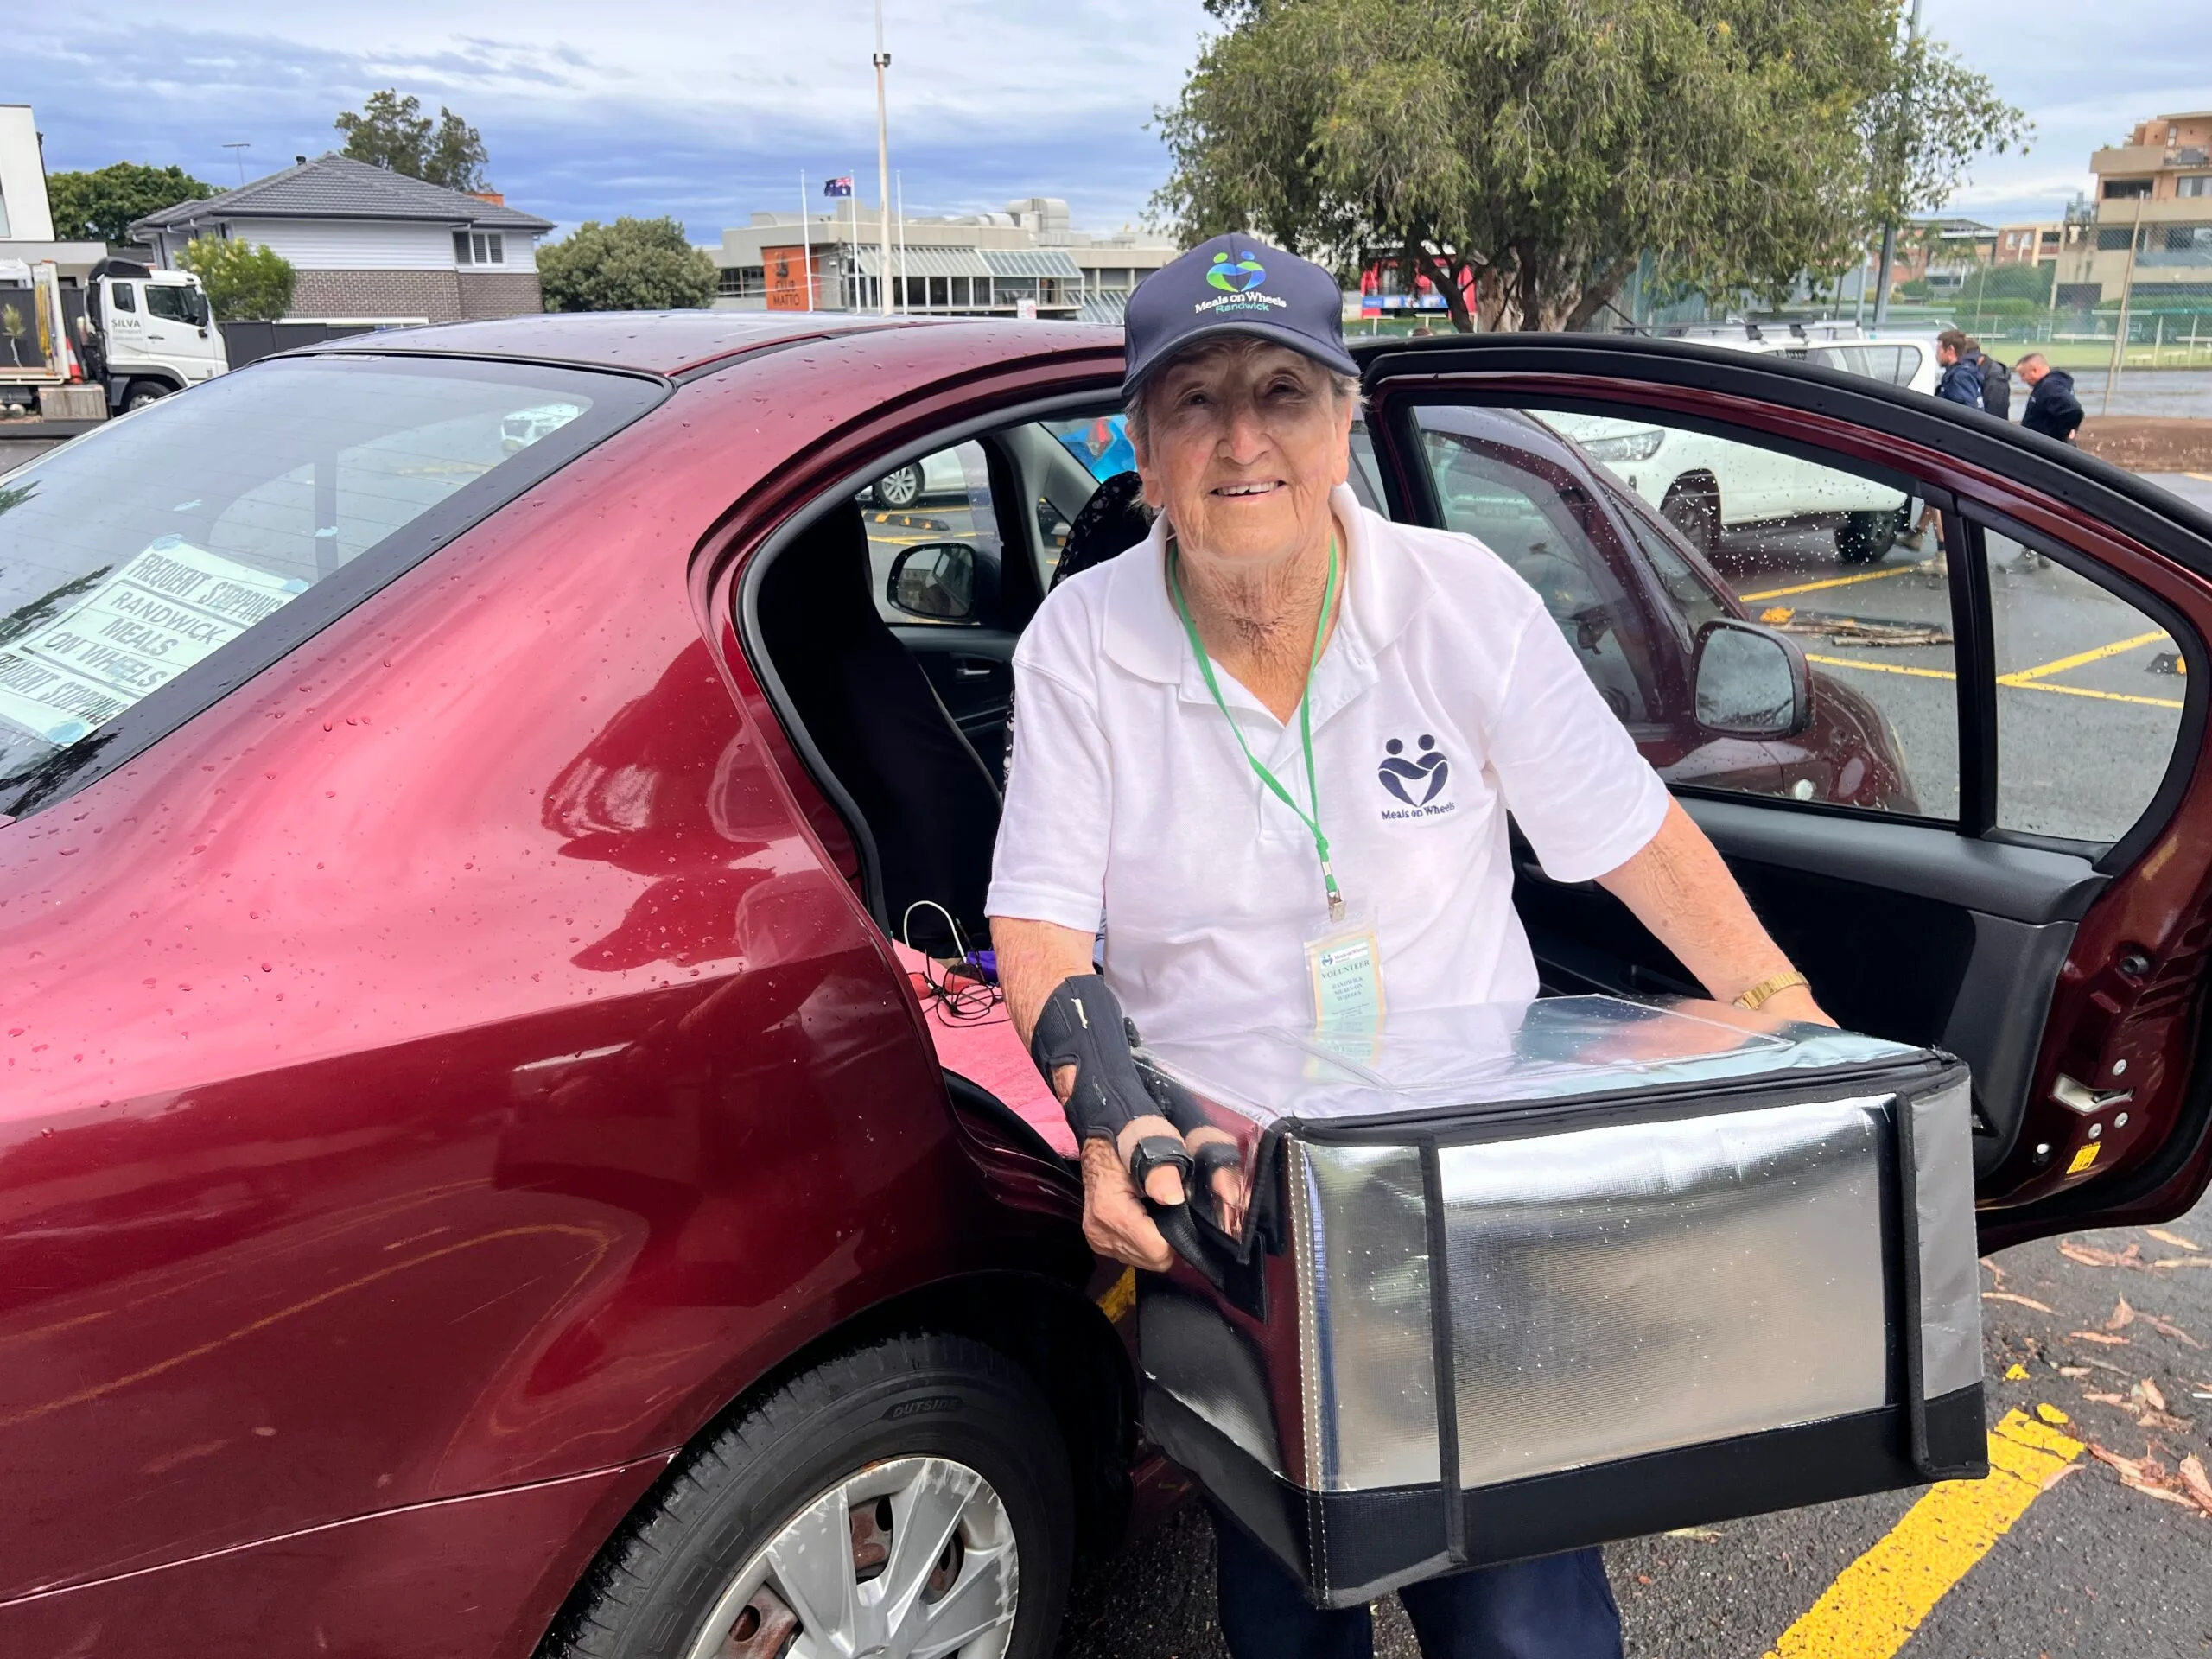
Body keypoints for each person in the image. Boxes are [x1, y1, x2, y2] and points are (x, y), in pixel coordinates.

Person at [986, 232, 1833, 1659]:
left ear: (1345, 424)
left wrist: (1784, 1014)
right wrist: (1108, 1124)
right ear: (1141, 447)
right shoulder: (1081, 641)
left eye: (1281, 392)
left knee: (1523, 1615)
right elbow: (1039, 918)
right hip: (1237, 1192)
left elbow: (1632, 836)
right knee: (1287, 1601)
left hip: (1470, 1182)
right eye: (1195, 401)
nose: (1241, 439)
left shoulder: (1462, 601)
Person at [2018, 353, 2086, 443]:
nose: (2022, 380)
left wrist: (2064, 434)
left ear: (2035, 370)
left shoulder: (2049, 387)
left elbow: (2073, 409)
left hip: (2044, 445)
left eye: (2023, 375)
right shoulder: (2051, 384)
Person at [1934, 328, 1984, 408]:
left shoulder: (1959, 377)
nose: (1937, 355)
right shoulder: (1960, 373)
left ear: (1950, 349)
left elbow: (1965, 411)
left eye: (1939, 351)